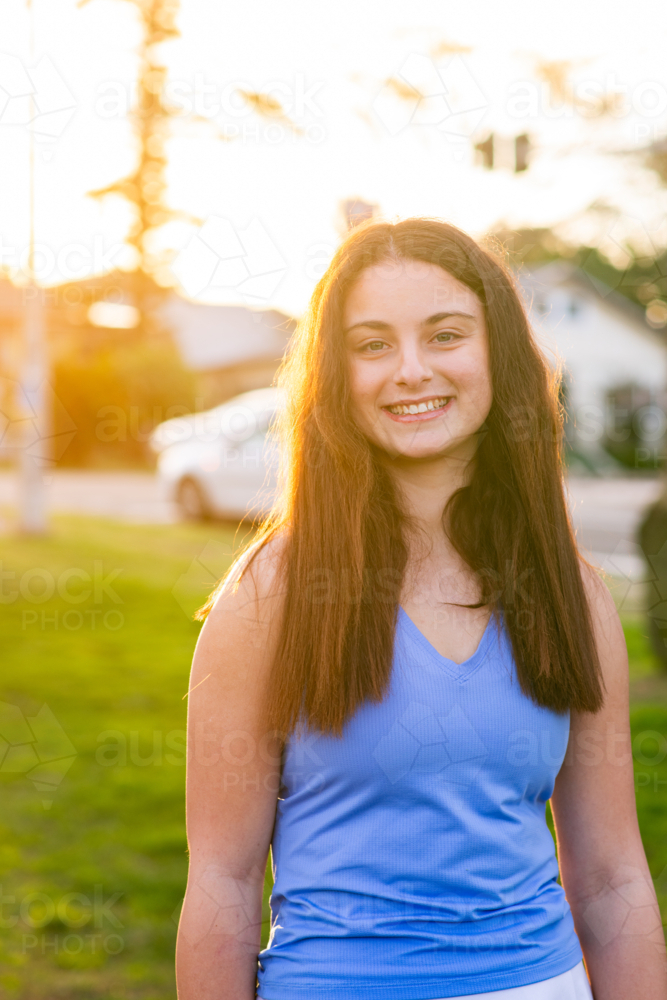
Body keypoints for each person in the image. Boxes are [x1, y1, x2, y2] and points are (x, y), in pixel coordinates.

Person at [175, 219, 667, 1000]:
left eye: (444, 336)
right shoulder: (270, 595)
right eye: (372, 345)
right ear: (335, 373)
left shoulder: (569, 592)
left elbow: (611, 881)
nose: (409, 371)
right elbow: (222, 884)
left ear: (497, 354)